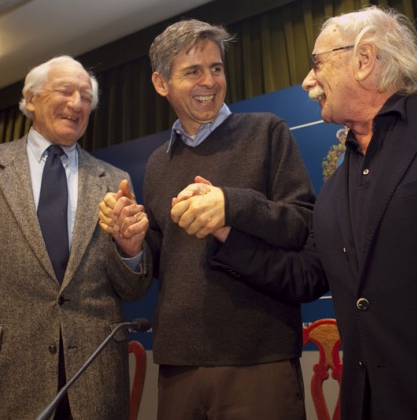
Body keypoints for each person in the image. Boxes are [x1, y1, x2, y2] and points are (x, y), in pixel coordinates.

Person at [208, 5, 417, 420]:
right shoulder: (335, 189)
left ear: (364, 58)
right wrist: (229, 234)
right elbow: (305, 275)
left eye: (317, 63)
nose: (306, 81)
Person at [100, 19, 316, 420]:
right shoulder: (157, 163)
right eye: (193, 71)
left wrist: (230, 204)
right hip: (178, 364)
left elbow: (300, 225)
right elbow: (166, 263)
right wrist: (133, 246)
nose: (210, 81)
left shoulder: (267, 132)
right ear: (161, 83)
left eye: (216, 68)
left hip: (258, 358)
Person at [0, 55, 152, 419]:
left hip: (94, 380)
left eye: (86, 97)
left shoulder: (114, 180)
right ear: (31, 99)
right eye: (65, 91)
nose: (77, 104)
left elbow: (132, 291)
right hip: (3, 380)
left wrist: (130, 251)